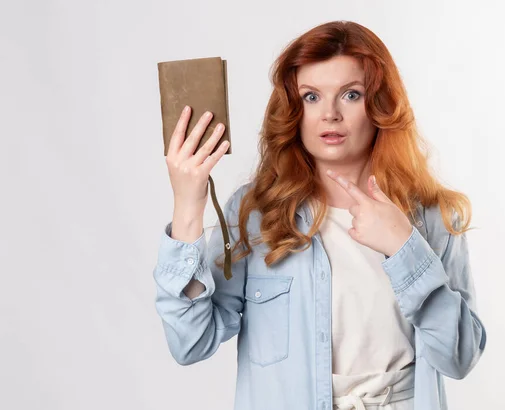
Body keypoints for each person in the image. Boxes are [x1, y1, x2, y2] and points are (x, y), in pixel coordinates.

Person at [153, 20, 487, 410]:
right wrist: (188, 204)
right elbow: (191, 343)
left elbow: (461, 357)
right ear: (293, 110)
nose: (330, 114)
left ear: (379, 104)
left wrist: (404, 248)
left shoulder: (429, 215)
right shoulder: (256, 214)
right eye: (311, 97)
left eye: (350, 94)